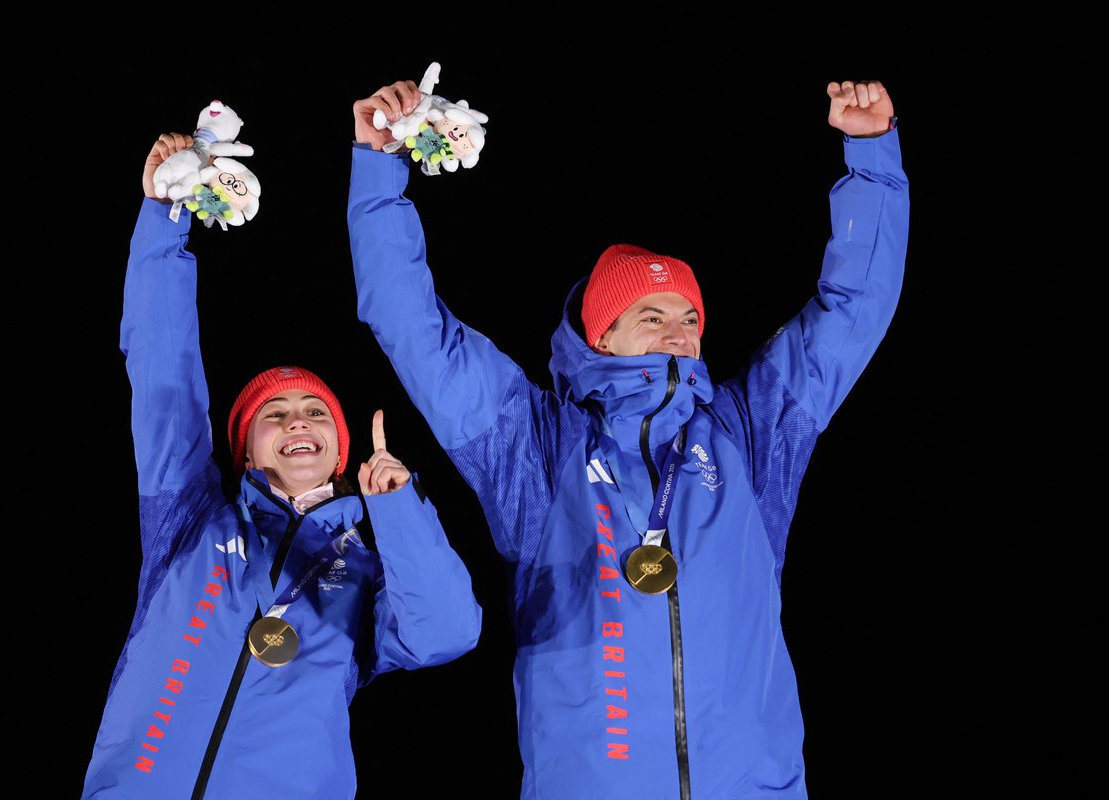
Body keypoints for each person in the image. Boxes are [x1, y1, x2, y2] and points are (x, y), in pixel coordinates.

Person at [347, 79, 908, 799]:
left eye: (690, 316)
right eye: (651, 314)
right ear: (600, 334)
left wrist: (871, 157)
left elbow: (850, 315)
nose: (679, 330)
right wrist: (378, 169)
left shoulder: (748, 432)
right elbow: (416, 330)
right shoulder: (539, 448)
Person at [81, 133, 482, 799]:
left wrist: (398, 509)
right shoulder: (192, 520)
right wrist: (162, 219)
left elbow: (448, 633)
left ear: (341, 448)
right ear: (244, 447)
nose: (298, 421)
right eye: (276, 413)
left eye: (316, 412)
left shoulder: (367, 567)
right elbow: (162, 375)